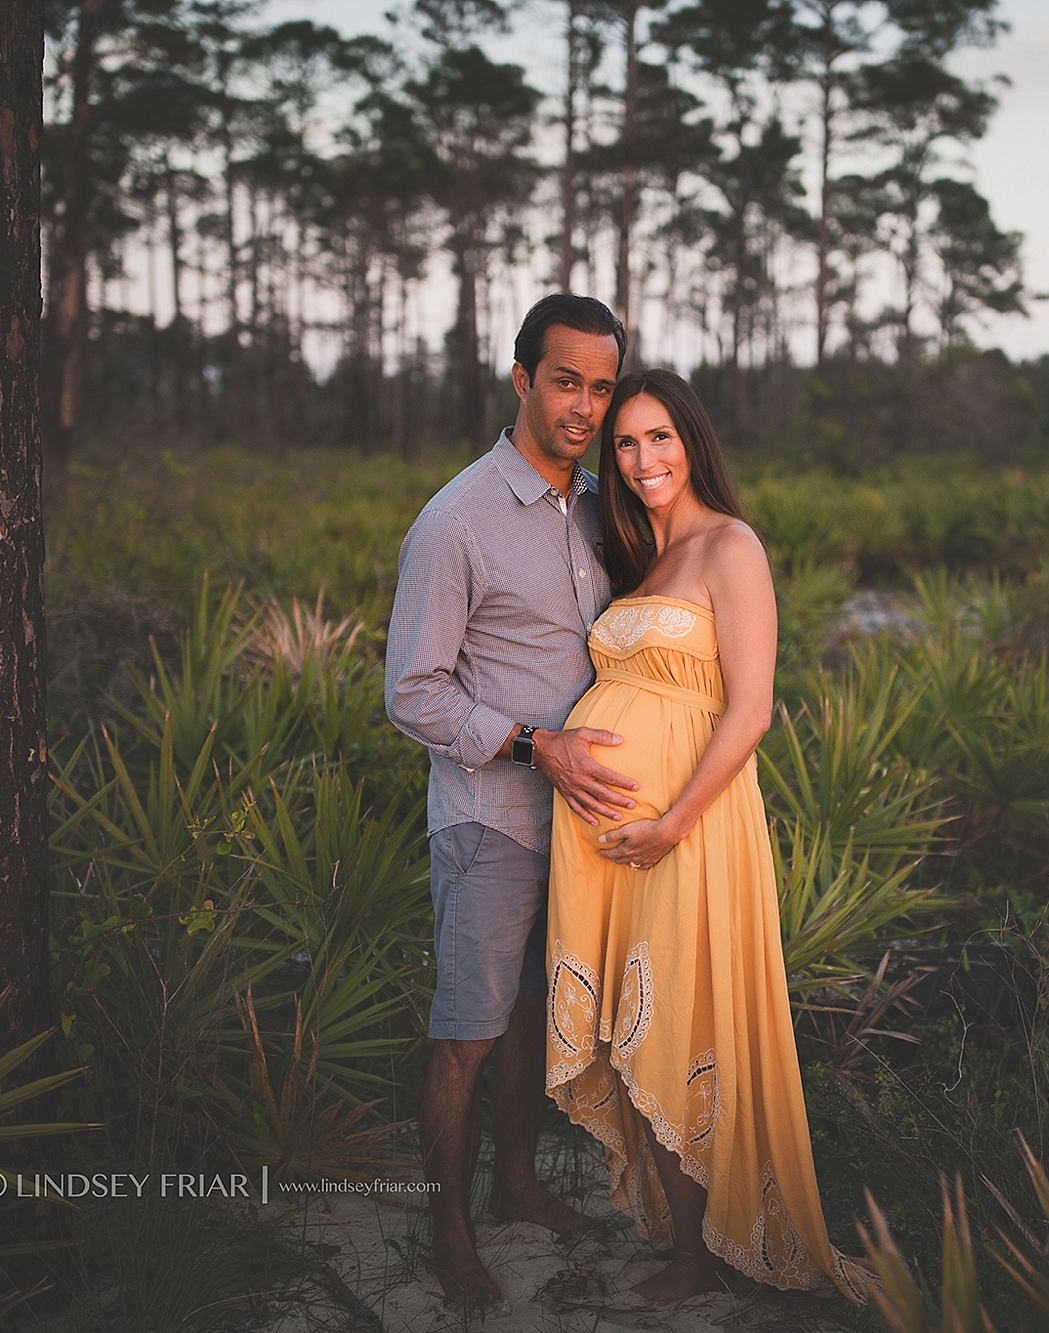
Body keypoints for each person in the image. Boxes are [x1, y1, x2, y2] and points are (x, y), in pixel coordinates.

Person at [544, 369, 876, 1306]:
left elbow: (753, 711)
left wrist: (671, 822)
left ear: (692, 441)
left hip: (688, 825)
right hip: (612, 836)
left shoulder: (732, 547)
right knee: (635, 1017)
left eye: (660, 438)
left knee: (677, 1015)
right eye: (625, 443)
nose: (643, 459)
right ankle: (683, 1234)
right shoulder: (637, 561)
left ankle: (699, 1255)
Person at [384, 294, 647, 1305]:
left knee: (537, 1014)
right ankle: (449, 1232)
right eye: (565, 380)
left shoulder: (598, 504)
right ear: (521, 381)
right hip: (490, 819)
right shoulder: (456, 520)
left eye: (600, 384)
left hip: (584, 829)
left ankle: (520, 1187)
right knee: (468, 1029)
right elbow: (411, 690)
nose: (583, 404)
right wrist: (535, 746)